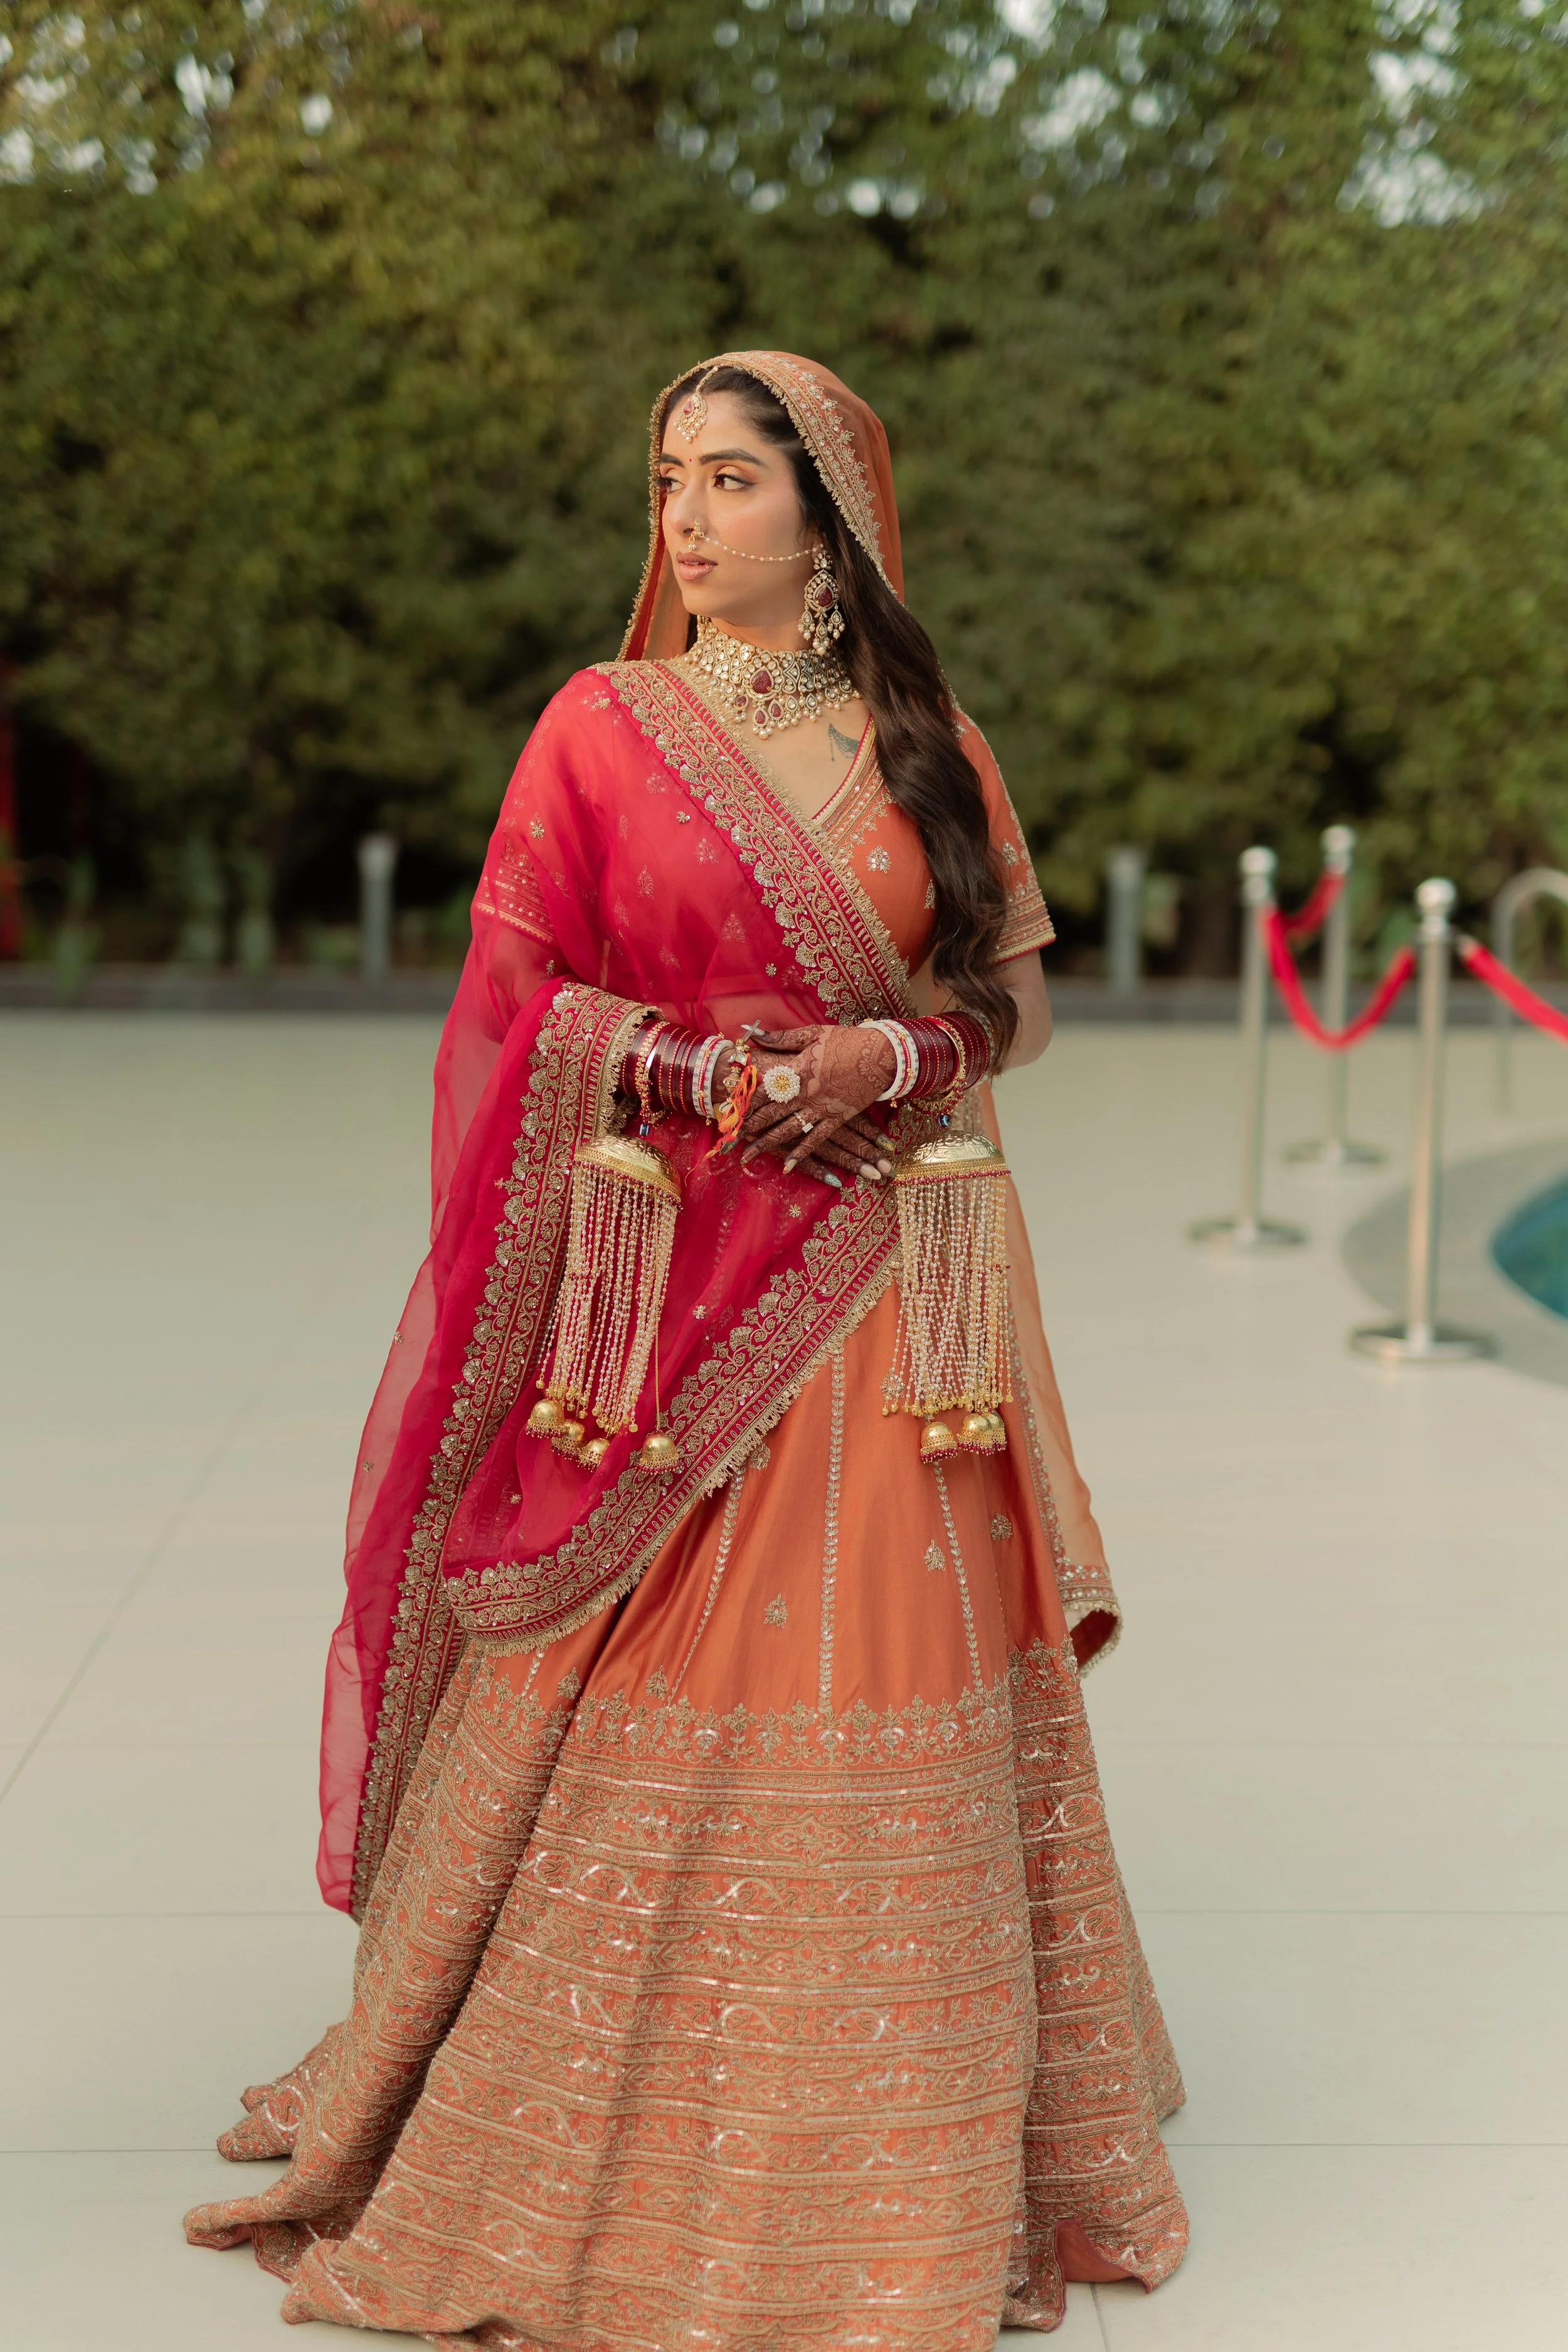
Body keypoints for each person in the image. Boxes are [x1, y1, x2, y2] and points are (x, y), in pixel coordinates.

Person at [184, 352, 1189, 2344]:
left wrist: (902, 1047)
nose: (685, 518)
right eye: (668, 481)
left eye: (730, 481)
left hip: (889, 1271)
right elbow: (511, 992)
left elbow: (1015, 1001)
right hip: (668, 1265)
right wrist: (669, 1058)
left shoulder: (926, 740)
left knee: (886, 1634)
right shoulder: (597, 727)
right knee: (630, 1645)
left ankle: (893, 2134)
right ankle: (570, 2096)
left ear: (830, 516)